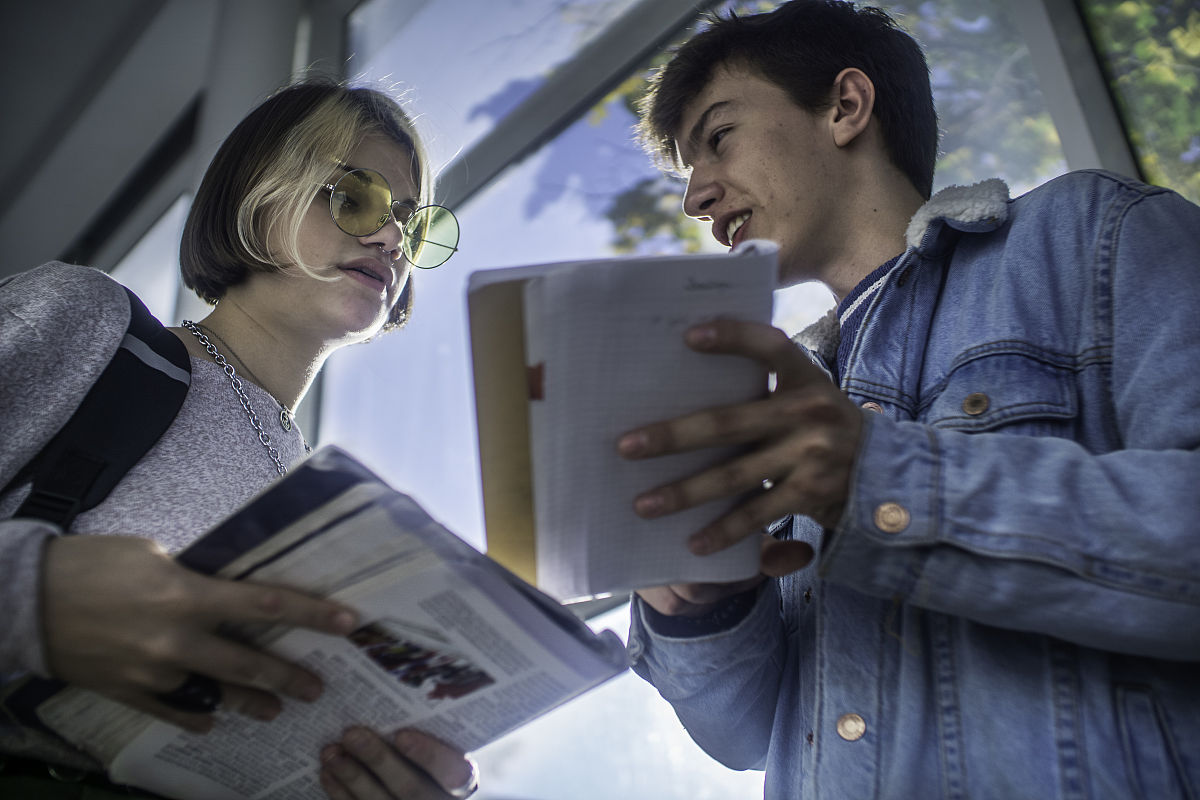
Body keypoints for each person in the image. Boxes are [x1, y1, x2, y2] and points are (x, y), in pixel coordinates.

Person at [617, 2, 1200, 798]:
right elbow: (745, 737)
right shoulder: (775, 402)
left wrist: (881, 482)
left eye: (718, 138)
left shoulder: (1092, 232)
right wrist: (702, 610)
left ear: (846, 106)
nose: (696, 198)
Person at [0, 79, 473, 799]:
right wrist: (26, 597)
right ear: (259, 195)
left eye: (409, 225)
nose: (389, 239)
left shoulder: (323, 503)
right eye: (356, 198)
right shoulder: (90, 322)